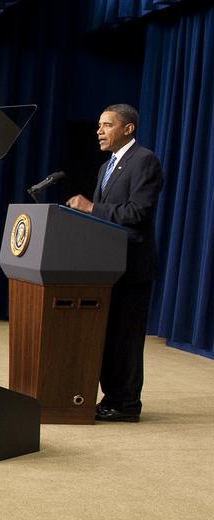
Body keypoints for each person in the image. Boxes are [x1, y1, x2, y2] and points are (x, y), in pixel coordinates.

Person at [66, 103, 164, 423]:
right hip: (106, 263)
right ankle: (111, 397)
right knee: (107, 334)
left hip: (132, 265)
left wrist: (92, 208)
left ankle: (126, 403)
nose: (99, 131)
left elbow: (138, 213)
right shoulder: (106, 166)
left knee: (126, 337)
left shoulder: (144, 160)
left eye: (107, 125)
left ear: (128, 128)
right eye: (99, 125)